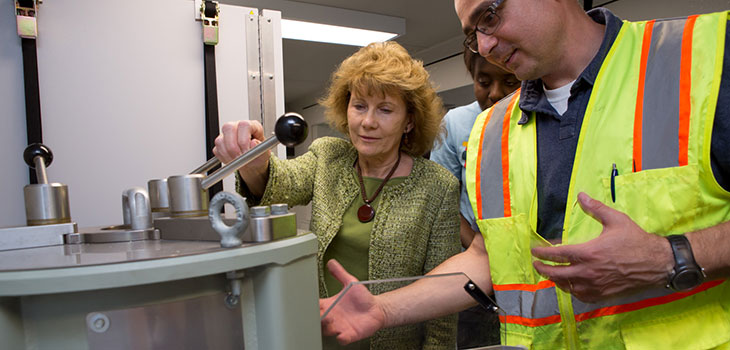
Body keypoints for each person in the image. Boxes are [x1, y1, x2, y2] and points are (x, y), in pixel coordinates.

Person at [320, 1, 730, 349]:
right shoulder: (490, 131)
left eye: (490, 16)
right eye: (471, 34)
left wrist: (671, 256)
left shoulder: (704, 55)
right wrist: (383, 308)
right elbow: (485, 258)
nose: (483, 45)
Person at [214, 41, 461, 349]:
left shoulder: (438, 186)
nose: (367, 121)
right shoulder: (328, 157)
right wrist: (254, 164)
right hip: (321, 339)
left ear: (409, 120)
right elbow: (280, 183)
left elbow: (442, 298)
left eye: (385, 110)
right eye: (359, 106)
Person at [430, 46, 519, 348]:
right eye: (484, 81)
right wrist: (482, 252)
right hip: (477, 260)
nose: (495, 93)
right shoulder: (455, 124)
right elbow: (445, 202)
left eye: (510, 82)